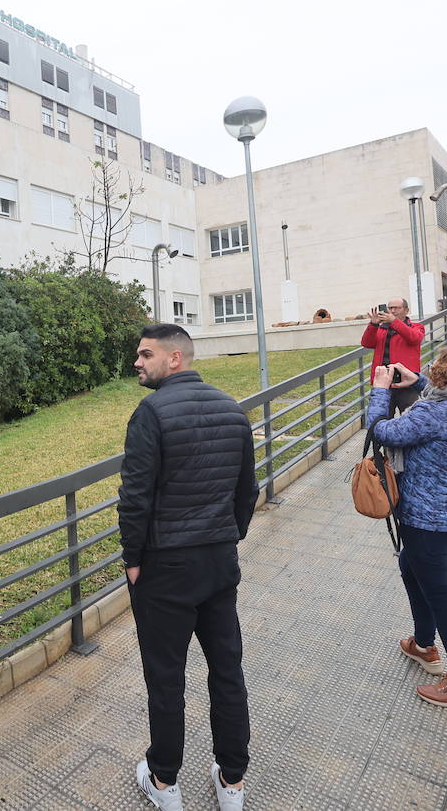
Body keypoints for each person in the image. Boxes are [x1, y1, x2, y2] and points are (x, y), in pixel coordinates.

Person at [119, 323, 258, 810]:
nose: (137, 362)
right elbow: (247, 493)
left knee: (166, 678)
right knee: (227, 671)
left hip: (165, 569)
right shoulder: (232, 409)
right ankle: (232, 783)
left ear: (175, 358)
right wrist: (227, 537)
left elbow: (135, 498)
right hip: (219, 564)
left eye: (145, 354)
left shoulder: (150, 413)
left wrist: (132, 562)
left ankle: (163, 782)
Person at [368, 346, 447, 711]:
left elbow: (383, 431)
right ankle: (424, 646)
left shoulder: (432, 411)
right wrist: (418, 382)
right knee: (411, 568)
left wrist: (379, 390)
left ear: (444, 373)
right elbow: (443, 409)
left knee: (443, 599)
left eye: (433, 368)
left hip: (428, 523)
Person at [361, 298, 425, 414]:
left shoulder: (416, 327)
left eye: (397, 308)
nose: (392, 311)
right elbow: (367, 343)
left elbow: (414, 338)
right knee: (381, 419)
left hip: (407, 383)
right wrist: (373, 325)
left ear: (406, 310)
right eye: (390, 308)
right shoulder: (381, 328)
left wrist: (394, 322)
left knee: (410, 419)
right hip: (384, 384)